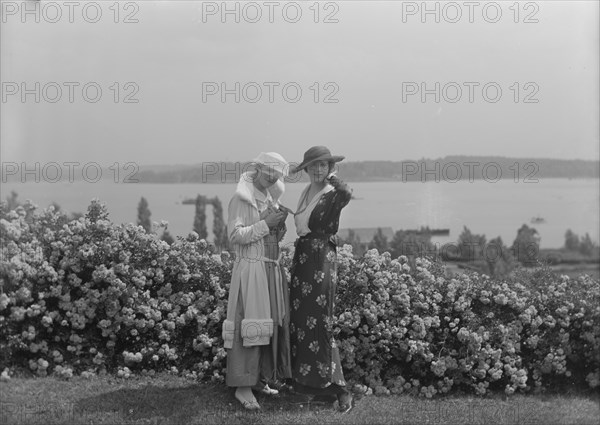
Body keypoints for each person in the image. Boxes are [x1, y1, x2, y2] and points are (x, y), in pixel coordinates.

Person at [222, 152, 292, 410]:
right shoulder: (242, 198)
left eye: (277, 173)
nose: (272, 176)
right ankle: (242, 385)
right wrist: (265, 223)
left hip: (269, 270)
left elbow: (267, 234)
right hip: (251, 270)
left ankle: (259, 379)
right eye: (269, 170)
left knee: (267, 323)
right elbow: (235, 235)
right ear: (258, 167)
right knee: (248, 323)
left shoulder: (270, 197)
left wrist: (277, 227)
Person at [288, 146, 354, 413]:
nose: (318, 170)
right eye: (313, 165)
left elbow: (347, 193)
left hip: (321, 262)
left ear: (330, 168)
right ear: (306, 168)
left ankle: (340, 390)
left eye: (323, 165)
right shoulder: (306, 192)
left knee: (321, 323)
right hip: (303, 259)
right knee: (302, 321)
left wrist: (334, 180)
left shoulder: (332, 193)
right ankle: (310, 386)